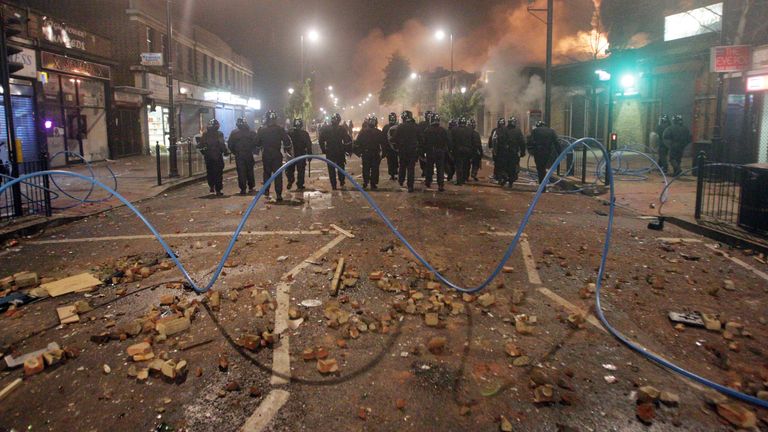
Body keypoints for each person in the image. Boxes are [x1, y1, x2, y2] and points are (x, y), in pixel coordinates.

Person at [255, 110, 292, 202]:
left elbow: (256, 143)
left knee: (266, 173)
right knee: (278, 174)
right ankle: (278, 194)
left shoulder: (261, 130)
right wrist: (287, 149)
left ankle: (266, 191)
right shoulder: (280, 129)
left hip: (266, 154)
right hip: (276, 155)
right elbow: (287, 141)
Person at [319, 113, 353, 190]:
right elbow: (347, 140)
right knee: (341, 167)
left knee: (331, 169)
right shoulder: (342, 129)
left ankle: (333, 185)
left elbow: (321, 140)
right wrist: (348, 150)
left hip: (329, 152)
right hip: (340, 151)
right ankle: (341, 181)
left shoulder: (326, 129)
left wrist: (324, 150)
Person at [354, 115, 387, 190]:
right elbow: (383, 143)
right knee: (375, 169)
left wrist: (359, 152)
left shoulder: (363, 131)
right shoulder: (378, 132)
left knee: (366, 168)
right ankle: (373, 183)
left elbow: (357, 142)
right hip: (375, 153)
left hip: (366, 153)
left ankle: (365, 182)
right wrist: (384, 153)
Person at [198, 119, 228, 196]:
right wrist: (225, 152)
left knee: (210, 172)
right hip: (217, 157)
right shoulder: (219, 134)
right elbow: (221, 144)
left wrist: (204, 153)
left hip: (208, 157)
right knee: (218, 173)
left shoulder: (205, 134)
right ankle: (218, 189)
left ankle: (211, 186)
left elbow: (201, 146)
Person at [227, 117, 257, 195]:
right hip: (248, 154)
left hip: (239, 155)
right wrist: (252, 150)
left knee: (241, 172)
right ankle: (251, 187)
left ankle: (243, 189)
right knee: (250, 171)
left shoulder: (234, 133)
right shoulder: (251, 132)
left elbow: (230, 144)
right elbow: (256, 142)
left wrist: (235, 152)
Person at [393, 110, 421, 192]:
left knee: (402, 166)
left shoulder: (400, 127)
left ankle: (401, 180)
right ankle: (410, 186)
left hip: (402, 150)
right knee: (411, 169)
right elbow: (421, 139)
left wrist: (398, 146)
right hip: (412, 151)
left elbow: (394, 138)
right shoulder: (416, 126)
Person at [422, 113, 450, 191]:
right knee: (440, 168)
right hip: (440, 151)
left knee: (429, 167)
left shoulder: (427, 130)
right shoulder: (443, 130)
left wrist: (423, 151)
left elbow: (424, 142)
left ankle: (428, 182)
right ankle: (440, 185)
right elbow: (447, 141)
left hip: (430, 151)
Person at [528, 120, 559, 185]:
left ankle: (542, 184)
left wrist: (531, 151)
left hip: (538, 152)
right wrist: (560, 152)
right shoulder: (551, 131)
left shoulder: (535, 131)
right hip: (548, 152)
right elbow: (556, 142)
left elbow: (530, 142)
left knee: (540, 168)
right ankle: (544, 182)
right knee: (546, 167)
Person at [286, 118, 312, 190]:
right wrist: (310, 155)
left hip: (292, 155)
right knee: (301, 170)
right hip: (301, 154)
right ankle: (300, 184)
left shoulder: (289, 133)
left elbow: (286, 143)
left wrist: (287, 152)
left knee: (290, 169)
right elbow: (309, 145)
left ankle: (290, 180)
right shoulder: (305, 134)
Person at [450, 117, 474, 185]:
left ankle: (459, 181)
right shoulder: (470, 130)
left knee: (459, 166)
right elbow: (472, 141)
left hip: (458, 150)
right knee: (465, 165)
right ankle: (464, 179)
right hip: (467, 150)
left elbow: (452, 141)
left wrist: (452, 150)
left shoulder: (454, 130)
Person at [382, 112, 399, 181]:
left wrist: (384, 148)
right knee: (395, 161)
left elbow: (382, 138)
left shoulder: (386, 127)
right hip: (395, 148)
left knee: (390, 161)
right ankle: (393, 173)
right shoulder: (398, 126)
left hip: (388, 148)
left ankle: (392, 174)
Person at [488, 117, 505, 182]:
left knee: (497, 164)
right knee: (502, 164)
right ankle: (501, 176)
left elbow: (491, 139)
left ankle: (496, 175)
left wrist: (490, 147)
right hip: (504, 151)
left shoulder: (495, 130)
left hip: (496, 151)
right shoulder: (506, 130)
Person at [418, 111, 433, 178]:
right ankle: (427, 171)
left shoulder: (421, 124)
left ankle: (425, 170)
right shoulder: (433, 125)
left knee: (422, 158)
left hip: (423, 145)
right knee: (428, 159)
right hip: (429, 145)